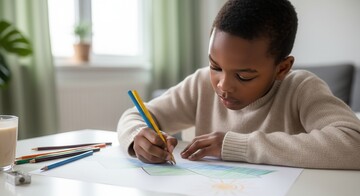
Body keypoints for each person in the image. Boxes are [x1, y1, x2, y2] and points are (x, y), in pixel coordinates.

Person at [117, 0, 360, 169]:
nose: (223, 86)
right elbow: (135, 114)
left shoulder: (300, 88)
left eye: (244, 76)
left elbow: (354, 144)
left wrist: (236, 145)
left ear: (282, 68)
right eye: (216, 66)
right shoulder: (202, 83)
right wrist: (139, 137)